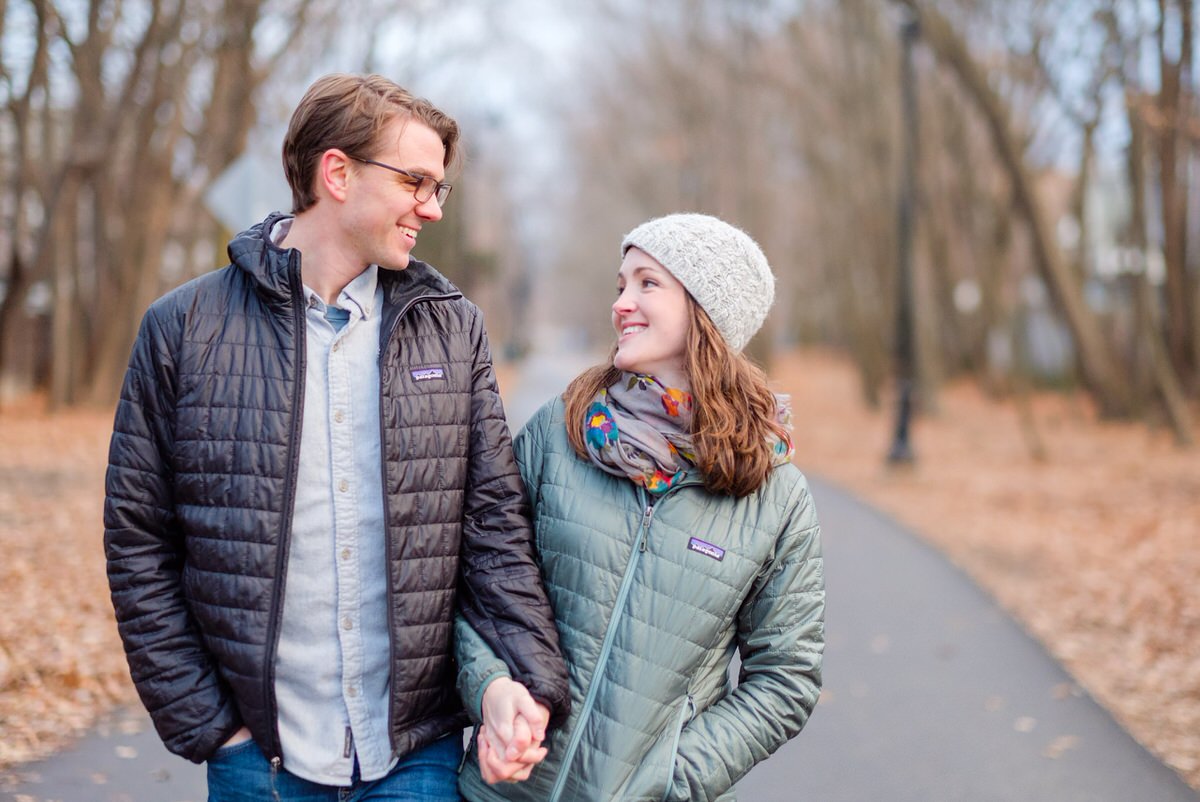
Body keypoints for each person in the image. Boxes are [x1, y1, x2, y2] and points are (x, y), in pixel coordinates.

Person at [103, 73, 568, 801]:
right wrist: (209, 727)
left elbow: (493, 529)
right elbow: (138, 540)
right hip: (260, 758)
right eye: (416, 181)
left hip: (415, 754)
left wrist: (524, 680)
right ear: (338, 173)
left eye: (440, 187)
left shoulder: (454, 328)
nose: (433, 208)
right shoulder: (183, 328)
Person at [455, 213, 826, 801]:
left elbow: (786, 679)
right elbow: (474, 581)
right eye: (621, 284)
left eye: (647, 283)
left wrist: (668, 778)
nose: (622, 303)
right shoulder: (560, 432)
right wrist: (489, 687)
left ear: (706, 311)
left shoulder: (774, 495)